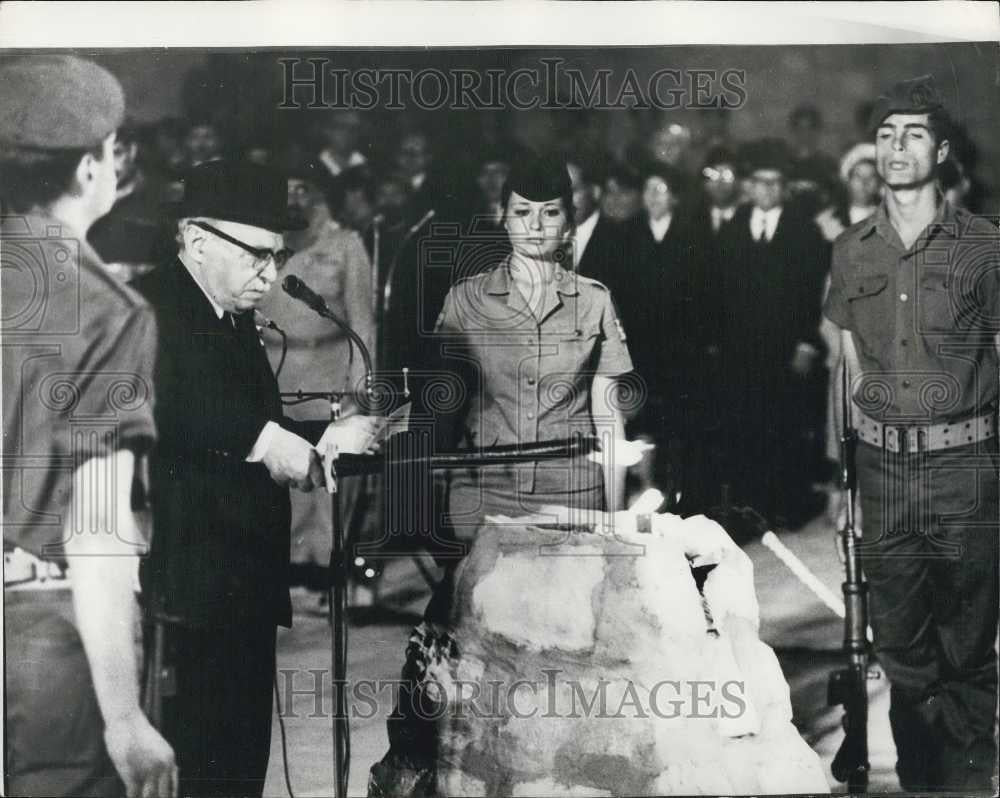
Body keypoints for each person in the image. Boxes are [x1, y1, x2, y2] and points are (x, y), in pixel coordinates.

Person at [370, 156, 634, 794]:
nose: (535, 227)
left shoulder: (594, 300)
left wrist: (618, 522)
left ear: (569, 221)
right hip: (482, 500)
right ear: (502, 216)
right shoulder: (465, 299)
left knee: (564, 657)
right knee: (461, 659)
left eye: (549, 214)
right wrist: (387, 430)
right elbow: (440, 400)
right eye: (522, 213)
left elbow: (608, 419)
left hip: (568, 497)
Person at [131, 159, 379, 797]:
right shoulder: (156, 307)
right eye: (258, 257)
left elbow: (253, 414)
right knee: (206, 767)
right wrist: (270, 443)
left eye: (278, 256)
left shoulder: (228, 314)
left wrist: (320, 435)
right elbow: (180, 410)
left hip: (240, 579)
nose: (272, 275)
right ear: (197, 240)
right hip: (195, 590)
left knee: (241, 765)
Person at [1, 55, 176, 798]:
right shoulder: (106, 311)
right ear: (88, 168)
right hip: (41, 637)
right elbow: (97, 529)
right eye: (111, 150)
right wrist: (126, 717)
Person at [823, 75, 999, 793]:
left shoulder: (987, 246)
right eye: (887, 134)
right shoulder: (849, 250)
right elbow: (850, 368)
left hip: (967, 468)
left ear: (944, 152)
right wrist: (847, 478)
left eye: (915, 134)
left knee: (967, 647)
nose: (897, 147)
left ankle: (970, 783)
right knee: (901, 650)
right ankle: (926, 783)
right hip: (886, 476)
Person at [257, 160, 378, 596]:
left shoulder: (346, 245)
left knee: (329, 475)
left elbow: (363, 320)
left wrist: (361, 382)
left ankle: (330, 570)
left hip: (330, 371)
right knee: (280, 474)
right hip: (274, 370)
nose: (293, 198)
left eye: (303, 188)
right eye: (285, 189)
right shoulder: (265, 245)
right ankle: (289, 568)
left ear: (321, 194)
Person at [716, 138, 830, 528]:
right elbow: (721, 292)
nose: (767, 190)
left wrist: (806, 343)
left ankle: (789, 503)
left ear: (785, 187)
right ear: (749, 185)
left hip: (787, 348)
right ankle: (753, 507)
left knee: (786, 425)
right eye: (760, 182)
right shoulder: (732, 229)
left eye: (775, 183)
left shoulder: (804, 231)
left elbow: (813, 294)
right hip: (742, 350)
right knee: (747, 426)